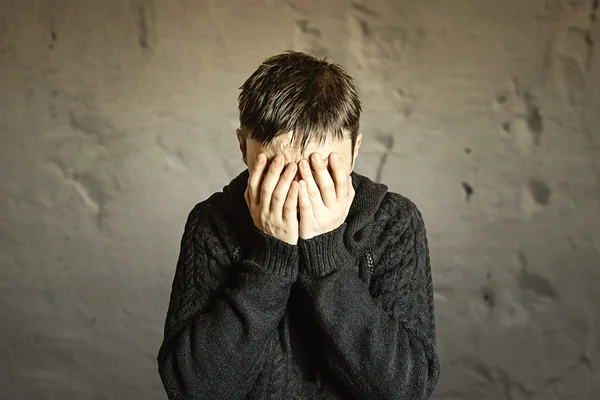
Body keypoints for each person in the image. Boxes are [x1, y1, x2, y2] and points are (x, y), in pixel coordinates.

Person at [157, 50, 440, 399]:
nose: (300, 193)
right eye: (279, 173)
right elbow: (192, 389)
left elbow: (406, 390)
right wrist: (270, 258)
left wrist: (326, 262)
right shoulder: (212, 223)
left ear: (355, 151)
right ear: (243, 147)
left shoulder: (393, 222)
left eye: (321, 173)